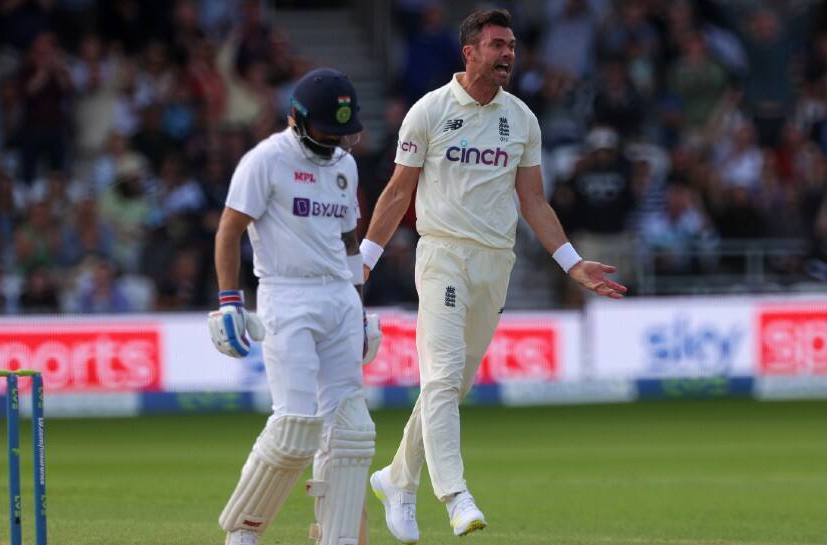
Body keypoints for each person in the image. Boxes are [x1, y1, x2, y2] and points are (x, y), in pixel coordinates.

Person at [359, 9, 627, 542]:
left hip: (495, 262)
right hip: (442, 255)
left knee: (451, 386)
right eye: (497, 45)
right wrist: (363, 261)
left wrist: (573, 263)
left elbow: (533, 201)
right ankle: (455, 496)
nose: (508, 54)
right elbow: (397, 192)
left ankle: (397, 478)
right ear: (470, 52)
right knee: (440, 376)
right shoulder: (429, 111)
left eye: (511, 46)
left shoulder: (522, 119)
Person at [209, 68, 382, 545]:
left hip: (339, 298)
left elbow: (349, 242)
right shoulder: (266, 160)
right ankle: (244, 532)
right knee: (295, 426)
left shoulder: (345, 166)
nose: (334, 142)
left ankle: (339, 537)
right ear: (297, 119)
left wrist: (359, 307)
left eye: (342, 132)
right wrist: (229, 301)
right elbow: (228, 231)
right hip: (287, 294)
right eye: (326, 131)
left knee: (351, 429)